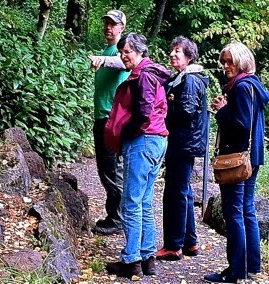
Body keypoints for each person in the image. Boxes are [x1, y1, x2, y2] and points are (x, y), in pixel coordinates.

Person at [203, 42, 269, 283]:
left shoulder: (241, 88)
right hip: (252, 157)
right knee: (246, 210)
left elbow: (241, 125)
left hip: (237, 158)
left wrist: (222, 110)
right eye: (223, 61)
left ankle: (235, 271)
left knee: (234, 213)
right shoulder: (253, 85)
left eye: (230, 61)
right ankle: (251, 266)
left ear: (242, 62)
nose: (225, 66)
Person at [105, 33, 171, 279]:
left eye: (128, 52)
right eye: (121, 52)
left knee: (131, 202)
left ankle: (131, 259)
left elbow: (143, 112)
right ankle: (148, 256)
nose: (124, 56)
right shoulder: (154, 73)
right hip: (158, 140)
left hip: (143, 141)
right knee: (144, 200)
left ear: (140, 52)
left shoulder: (142, 76)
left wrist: (124, 134)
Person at [156, 36, 209, 261]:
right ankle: (190, 242)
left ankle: (173, 245)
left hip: (183, 142)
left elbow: (186, 112)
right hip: (186, 141)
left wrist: (164, 109)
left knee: (175, 193)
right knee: (183, 191)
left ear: (189, 56)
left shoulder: (189, 80)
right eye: (172, 50)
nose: (173, 55)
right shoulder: (184, 78)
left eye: (178, 51)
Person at [89, 10, 129, 236]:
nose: (108, 28)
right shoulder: (107, 50)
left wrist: (103, 59)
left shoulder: (119, 51)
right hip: (102, 118)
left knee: (113, 170)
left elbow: (123, 63)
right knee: (106, 170)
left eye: (113, 24)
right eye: (106, 23)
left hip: (112, 120)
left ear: (121, 27)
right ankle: (115, 214)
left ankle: (118, 218)